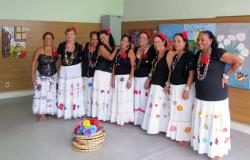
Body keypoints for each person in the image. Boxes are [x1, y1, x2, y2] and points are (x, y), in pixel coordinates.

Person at [191, 30, 243, 160]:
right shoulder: (198, 53)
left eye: (203, 39)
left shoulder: (218, 52)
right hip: (201, 95)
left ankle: (216, 151)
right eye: (198, 39)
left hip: (216, 95)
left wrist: (226, 75)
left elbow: (238, 61)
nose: (200, 42)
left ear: (210, 40)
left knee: (215, 123)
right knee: (204, 122)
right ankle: (204, 146)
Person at [166, 32, 195, 146]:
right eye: (174, 41)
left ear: (185, 43)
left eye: (179, 41)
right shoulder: (175, 55)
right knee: (175, 112)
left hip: (184, 87)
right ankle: (176, 134)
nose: (176, 43)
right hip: (174, 87)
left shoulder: (189, 55)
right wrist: (168, 84)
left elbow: (191, 73)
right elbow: (171, 71)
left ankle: (184, 136)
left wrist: (187, 89)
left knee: (184, 113)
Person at [141, 33, 171, 134]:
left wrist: (168, 84)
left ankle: (159, 128)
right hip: (154, 83)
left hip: (162, 85)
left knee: (159, 107)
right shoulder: (157, 54)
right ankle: (154, 127)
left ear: (164, 42)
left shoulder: (168, 53)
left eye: (159, 41)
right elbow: (153, 69)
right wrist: (149, 79)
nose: (157, 44)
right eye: (155, 42)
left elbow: (171, 70)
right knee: (154, 106)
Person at [57, 27, 85, 119]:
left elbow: (81, 59)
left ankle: (76, 112)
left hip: (76, 71)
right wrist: (57, 72)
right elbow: (59, 60)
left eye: (72, 34)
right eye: (68, 34)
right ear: (66, 35)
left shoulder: (79, 46)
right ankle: (64, 112)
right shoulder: (61, 45)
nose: (70, 36)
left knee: (75, 91)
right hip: (64, 71)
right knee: (64, 91)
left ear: (75, 35)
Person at [92, 28, 118, 121]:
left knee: (107, 93)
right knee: (101, 93)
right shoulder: (101, 47)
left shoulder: (112, 46)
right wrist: (116, 50)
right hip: (101, 73)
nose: (103, 40)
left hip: (109, 73)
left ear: (108, 36)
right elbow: (110, 58)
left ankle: (105, 115)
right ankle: (99, 115)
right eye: (101, 38)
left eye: (104, 37)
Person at [32, 32, 58, 121]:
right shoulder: (39, 50)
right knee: (41, 95)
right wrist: (32, 75)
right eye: (46, 38)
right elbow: (34, 62)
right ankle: (41, 113)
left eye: (50, 38)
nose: (48, 40)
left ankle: (49, 111)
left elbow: (56, 62)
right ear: (43, 40)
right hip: (41, 75)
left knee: (51, 94)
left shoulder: (55, 50)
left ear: (52, 39)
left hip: (53, 76)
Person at [111, 34, 135, 125]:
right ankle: (117, 117)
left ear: (128, 43)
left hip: (126, 78)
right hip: (117, 78)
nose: (123, 43)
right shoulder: (117, 51)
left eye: (126, 41)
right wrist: (113, 78)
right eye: (122, 40)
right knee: (117, 98)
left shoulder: (130, 51)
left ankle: (125, 118)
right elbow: (114, 66)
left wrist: (130, 80)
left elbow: (133, 67)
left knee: (125, 99)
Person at [134, 32, 156, 126]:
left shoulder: (151, 50)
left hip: (145, 77)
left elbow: (153, 66)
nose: (142, 39)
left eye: (144, 38)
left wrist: (149, 79)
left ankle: (143, 121)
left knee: (144, 99)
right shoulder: (135, 49)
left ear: (147, 40)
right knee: (136, 99)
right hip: (136, 77)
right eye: (140, 38)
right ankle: (136, 119)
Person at [81, 31, 99, 117]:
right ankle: (83, 112)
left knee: (91, 94)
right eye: (93, 39)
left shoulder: (100, 49)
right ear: (90, 39)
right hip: (84, 75)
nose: (94, 41)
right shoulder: (84, 46)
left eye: (96, 39)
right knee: (84, 93)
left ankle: (91, 113)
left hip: (93, 77)